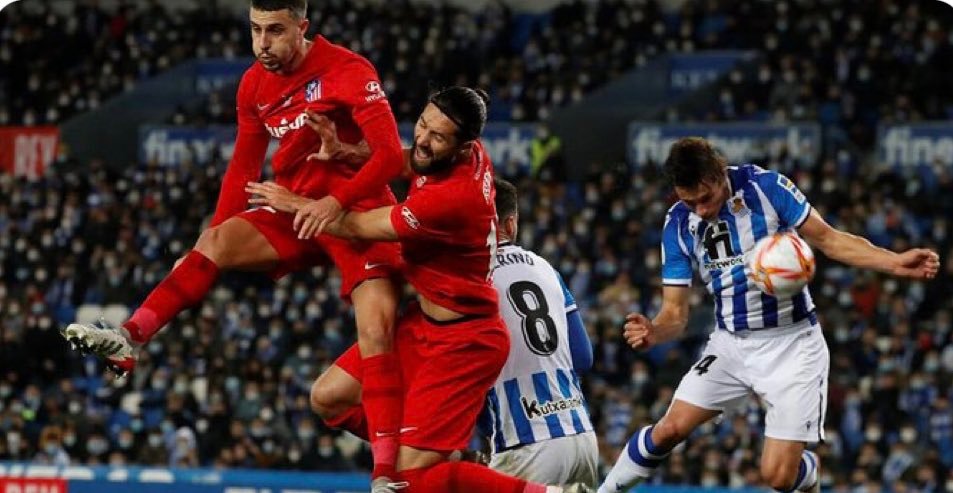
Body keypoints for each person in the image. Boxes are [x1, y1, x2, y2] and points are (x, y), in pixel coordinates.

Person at [61, 0, 407, 484]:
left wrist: (334, 204)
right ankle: (130, 339)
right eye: (255, 30)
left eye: (275, 30)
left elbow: (389, 155)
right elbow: (243, 167)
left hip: (356, 211)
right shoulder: (253, 85)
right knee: (218, 240)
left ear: (303, 28)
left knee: (375, 331)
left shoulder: (349, 70)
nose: (262, 43)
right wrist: (208, 243)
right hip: (292, 206)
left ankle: (387, 474)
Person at [247, 86, 593, 493]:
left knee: (412, 480)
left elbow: (358, 226)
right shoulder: (468, 155)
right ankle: (446, 460)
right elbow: (413, 159)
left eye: (437, 136)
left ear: (464, 147)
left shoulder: (450, 200)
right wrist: (348, 151)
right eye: (423, 125)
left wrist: (297, 203)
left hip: (464, 341)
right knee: (329, 397)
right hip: (424, 325)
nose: (424, 139)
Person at [598, 137, 940, 493]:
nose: (700, 209)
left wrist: (895, 262)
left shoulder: (765, 187)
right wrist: (654, 331)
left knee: (777, 477)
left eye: (705, 198)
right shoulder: (678, 224)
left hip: (792, 346)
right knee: (669, 429)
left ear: (718, 174)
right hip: (730, 344)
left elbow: (829, 240)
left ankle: (807, 470)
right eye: (689, 201)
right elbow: (675, 313)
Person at [479, 177, 598, 485]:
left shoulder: (474, 279)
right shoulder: (546, 268)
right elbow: (583, 357)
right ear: (511, 223)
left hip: (524, 443)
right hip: (581, 434)